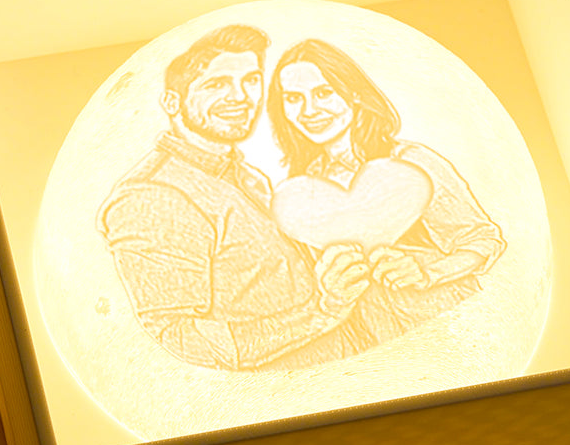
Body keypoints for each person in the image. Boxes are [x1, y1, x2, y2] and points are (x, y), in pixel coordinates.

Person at [98, 25, 372, 370]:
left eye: (251, 80)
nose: (241, 97)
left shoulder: (247, 175)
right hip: (289, 394)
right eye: (216, 84)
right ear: (172, 102)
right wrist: (323, 312)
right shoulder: (151, 196)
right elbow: (182, 338)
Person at [267, 38, 506, 344]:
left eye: (324, 93)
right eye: (293, 98)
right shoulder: (302, 191)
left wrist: (427, 272)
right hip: (379, 339)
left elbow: (482, 239)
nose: (309, 110)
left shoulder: (411, 163)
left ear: (354, 93)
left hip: (450, 325)